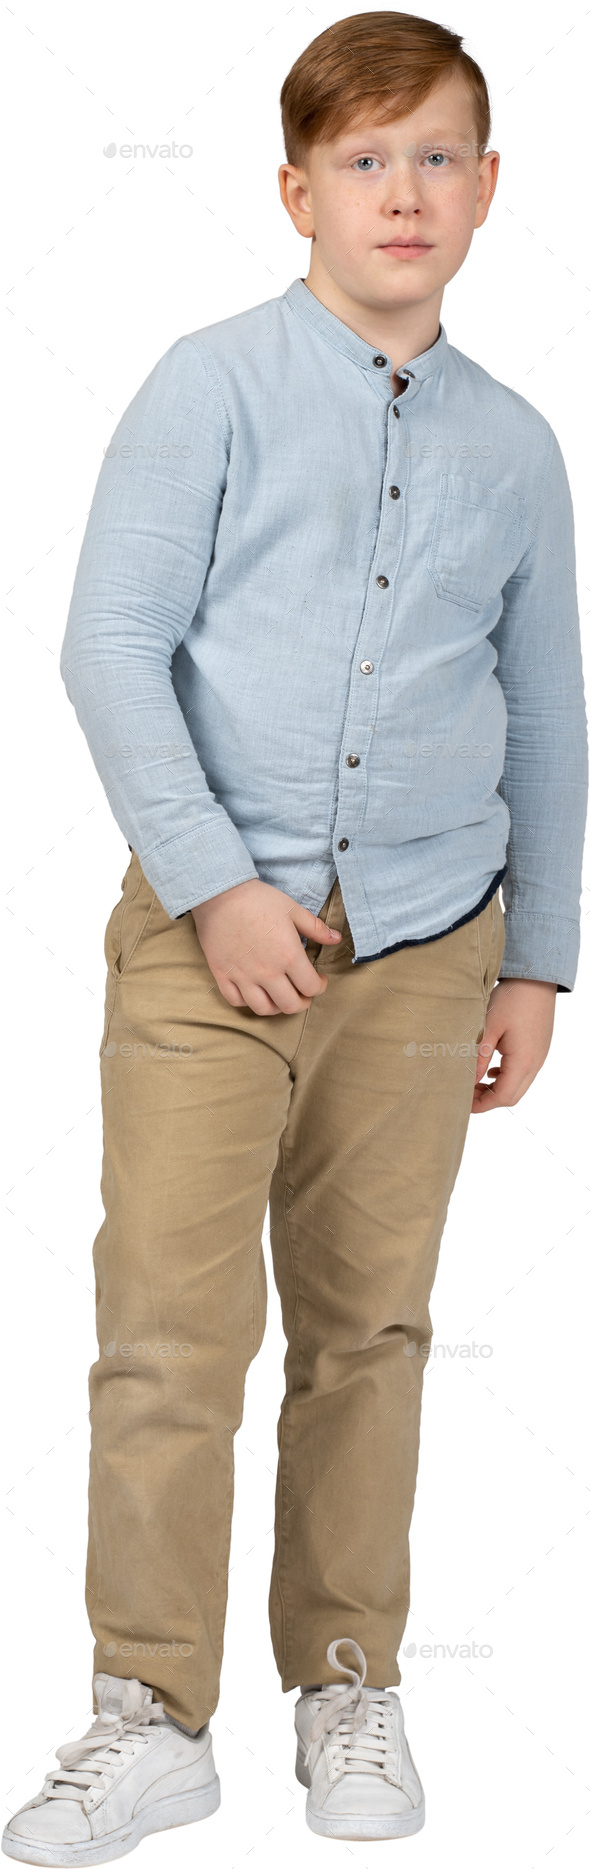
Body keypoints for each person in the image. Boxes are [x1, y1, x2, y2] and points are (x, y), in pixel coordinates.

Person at [4, 10, 587, 1861]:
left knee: (371, 1332)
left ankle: (347, 1674)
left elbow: (545, 711)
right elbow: (108, 646)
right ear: (293, 189)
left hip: (429, 949)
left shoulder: (517, 446)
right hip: (209, 936)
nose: (399, 191)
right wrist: (215, 884)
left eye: (434, 157)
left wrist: (535, 957)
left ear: (488, 190)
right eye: (361, 159)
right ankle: (148, 1711)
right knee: (170, 1334)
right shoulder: (210, 384)